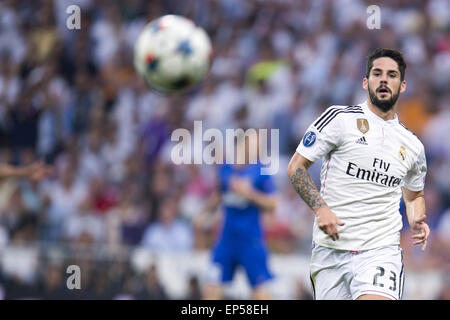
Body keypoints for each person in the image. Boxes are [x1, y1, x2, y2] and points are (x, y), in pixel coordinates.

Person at [287, 48, 429, 300]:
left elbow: (414, 195)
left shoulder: (413, 145)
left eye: (392, 75)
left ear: (403, 85)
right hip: (330, 251)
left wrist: (417, 218)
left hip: (380, 250)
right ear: (365, 82)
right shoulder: (339, 119)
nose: (384, 79)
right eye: (377, 73)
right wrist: (321, 209)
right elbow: (296, 168)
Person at [197, 131, 278, 300]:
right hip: (226, 239)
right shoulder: (225, 169)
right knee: (211, 288)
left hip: (251, 240)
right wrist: (203, 213)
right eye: (255, 143)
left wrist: (249, 193)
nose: (258, 147)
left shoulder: (262, 170)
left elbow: (272, 204)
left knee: (259, 293)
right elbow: (219, 195)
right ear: (242, 144)